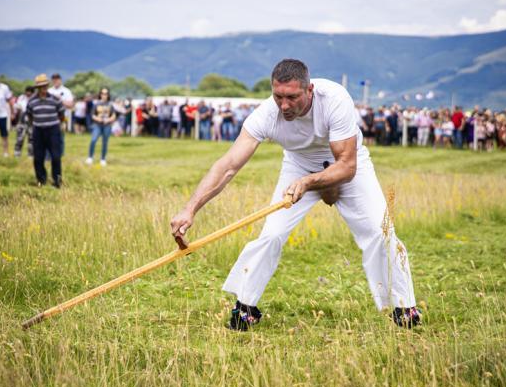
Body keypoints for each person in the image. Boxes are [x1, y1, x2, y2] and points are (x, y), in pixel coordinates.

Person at [170, 59, 419, 331]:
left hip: (348, 163)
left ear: (309, 90)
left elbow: (346, 166)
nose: (284, 105)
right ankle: (245, 308)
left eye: (292, 97)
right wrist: (190, 209)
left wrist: (310, 182)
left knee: (380, 231)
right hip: (298, 164)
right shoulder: (266, 114)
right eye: (278, 97)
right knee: (271, 234)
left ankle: (404, 308)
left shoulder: (334, 99)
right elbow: (228, 166)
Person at [26, 74, 65, 187]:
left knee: (56, 156)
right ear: (37, 88)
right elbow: (30, 116)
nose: (43, 88)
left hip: (53, 130)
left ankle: (57, 181)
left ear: (47, 86)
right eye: (41, 86)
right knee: (38, 157)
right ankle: (41, 180)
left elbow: (61, 114)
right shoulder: (32, 101)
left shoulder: (55, 99)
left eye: (45, 86)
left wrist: (56, 124)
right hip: (38, 130)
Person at [86, 88, 116, 166]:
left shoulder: (110, 104)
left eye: (106, 93)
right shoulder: (96, 104)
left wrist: (109, 120)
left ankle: (103, 159)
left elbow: (114, 115)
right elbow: (92, 115)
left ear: (108, 95)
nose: (104, 95)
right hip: (97, 125)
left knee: (105, 142)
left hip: (107, 125)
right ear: (100, 94)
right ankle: (90, 157)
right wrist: (98, 119)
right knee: (93, 140)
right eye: (102, 93)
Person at [14, 86, 34, 157]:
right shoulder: (21, 98)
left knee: (31, 139)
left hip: (31, 122)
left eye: (30, 91)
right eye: (27, 91)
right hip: (22, 121)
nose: (28, 93)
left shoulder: (34, 99)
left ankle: (31, 155)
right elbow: (16, 107)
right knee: (19, 138)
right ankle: (17, 154)